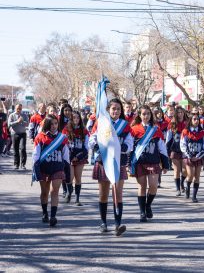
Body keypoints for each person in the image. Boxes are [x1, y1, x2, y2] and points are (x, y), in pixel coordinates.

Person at [89, 98, 134, 236]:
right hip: (103, 161)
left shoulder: (125, 125)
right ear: (108, 110)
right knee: (103, 194)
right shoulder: (101, 122)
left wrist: (124, 147)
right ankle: (103, 222)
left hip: (118, 162)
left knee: (118, 194)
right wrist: (97, 146)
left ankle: (117, 224)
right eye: (113, 108)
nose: (116, 111)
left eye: (118, 109)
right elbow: (92, 139)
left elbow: (129, 142)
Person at [131, 105, 169, 222]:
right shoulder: (134, 129)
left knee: (153, 185)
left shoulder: (156, 129)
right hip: (140, 162)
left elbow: (162, 147)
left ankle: (148, 205)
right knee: (141, 186)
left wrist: (165, 163)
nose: (146, 116)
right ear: (139, 115)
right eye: (143, 114)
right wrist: (129, 164)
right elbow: (130, 148)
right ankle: (142, 212)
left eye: (148, 113)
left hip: (153, 161)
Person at [32, 114, 70, 227]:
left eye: (55, 123)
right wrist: (37, 172)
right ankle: (45, 213)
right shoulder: (40, 137)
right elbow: (35, 157)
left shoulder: (62, 138)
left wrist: (67, 172)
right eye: (51, 124)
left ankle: (53, 216)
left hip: (57, 168)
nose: (54, 126)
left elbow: (66, 156)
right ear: (47, 125)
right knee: (44, 193)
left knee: (55, 191)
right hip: (43, 168)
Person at [62, 111, 89, 205]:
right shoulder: (66, 130)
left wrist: (79, 156)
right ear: (71, 119)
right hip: (69, 157)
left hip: (80, 157)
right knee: (69, 177)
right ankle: (69, 193)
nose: (76, 120)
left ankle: (77, 199)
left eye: (78, 118)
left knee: (78, 178)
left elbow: (87, 146)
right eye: (74, 118)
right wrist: (70, 156)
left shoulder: (84, 130)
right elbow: (63, 145)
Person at [180, 113, 204, 203]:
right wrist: (190, 156)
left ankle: (194, 196)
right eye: (194, 119)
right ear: (191, 120)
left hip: (199, 157)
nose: (196, 121)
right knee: (190, 175)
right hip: (189, 157)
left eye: (197, 119)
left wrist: (198, 156)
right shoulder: (185, 132)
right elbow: (183, 145)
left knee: (197, 177)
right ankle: (187, 186)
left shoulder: (202, 132)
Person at [166, 106, 188, 196]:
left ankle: (182, 183)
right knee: (176, 170)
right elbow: (168, 139)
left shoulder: (187, 123)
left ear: (184, 113)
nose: (180, 114)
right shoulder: (172, 124)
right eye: (178, 112)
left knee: (184, 171)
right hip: (174, 150)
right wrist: (166, 151)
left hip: (185, 151)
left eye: (181, 112)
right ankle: (178, 189)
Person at [8, 103, 29, 169]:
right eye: (17, 108)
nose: (18, 110)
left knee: (23, 148)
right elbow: (9, 124)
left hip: (23, 133)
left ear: (21, 108)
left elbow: (27, 124)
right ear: (15, 109)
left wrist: (22, 121)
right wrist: (17, 121)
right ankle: (16, 164)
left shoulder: (24, 115)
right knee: (15, 149)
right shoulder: (11, 115)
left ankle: (23, 164)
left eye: (20, 108)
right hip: (15, 133)